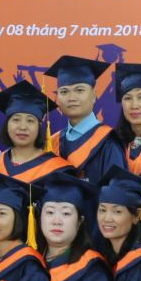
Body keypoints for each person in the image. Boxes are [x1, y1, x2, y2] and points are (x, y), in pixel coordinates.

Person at [45, 55, 119, 187]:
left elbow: (116, 192)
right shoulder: (53, 142)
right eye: (64, 92)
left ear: (94, 95)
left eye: (79, 90)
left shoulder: (108, 142)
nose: (71, 98)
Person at [0, 81, 70, 185]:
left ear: (39, 126)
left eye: (30, 121)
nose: (23, 127)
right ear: (7, 125)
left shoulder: (56, 170)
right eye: (16, 120)